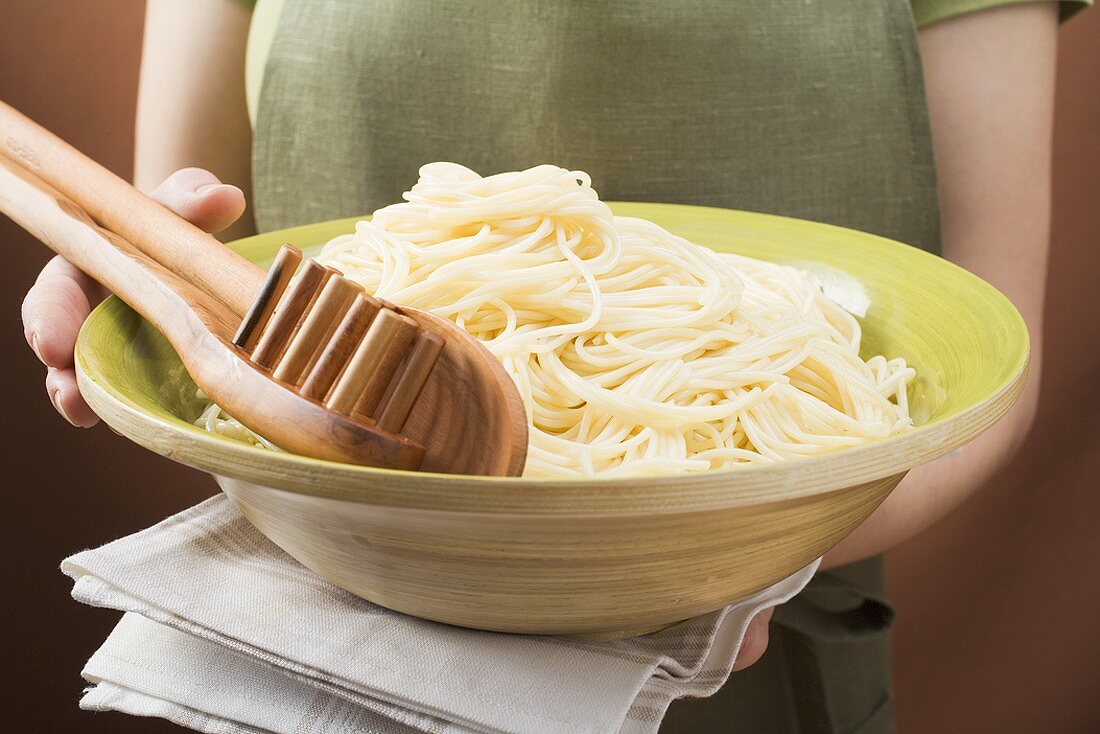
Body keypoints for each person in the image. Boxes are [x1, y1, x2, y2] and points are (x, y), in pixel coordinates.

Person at [18, 0, 1088, 731]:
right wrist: (133, 268)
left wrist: (693, 560)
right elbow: (201, 248)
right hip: (342, 638)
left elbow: (985, 358)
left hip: (759, 649)